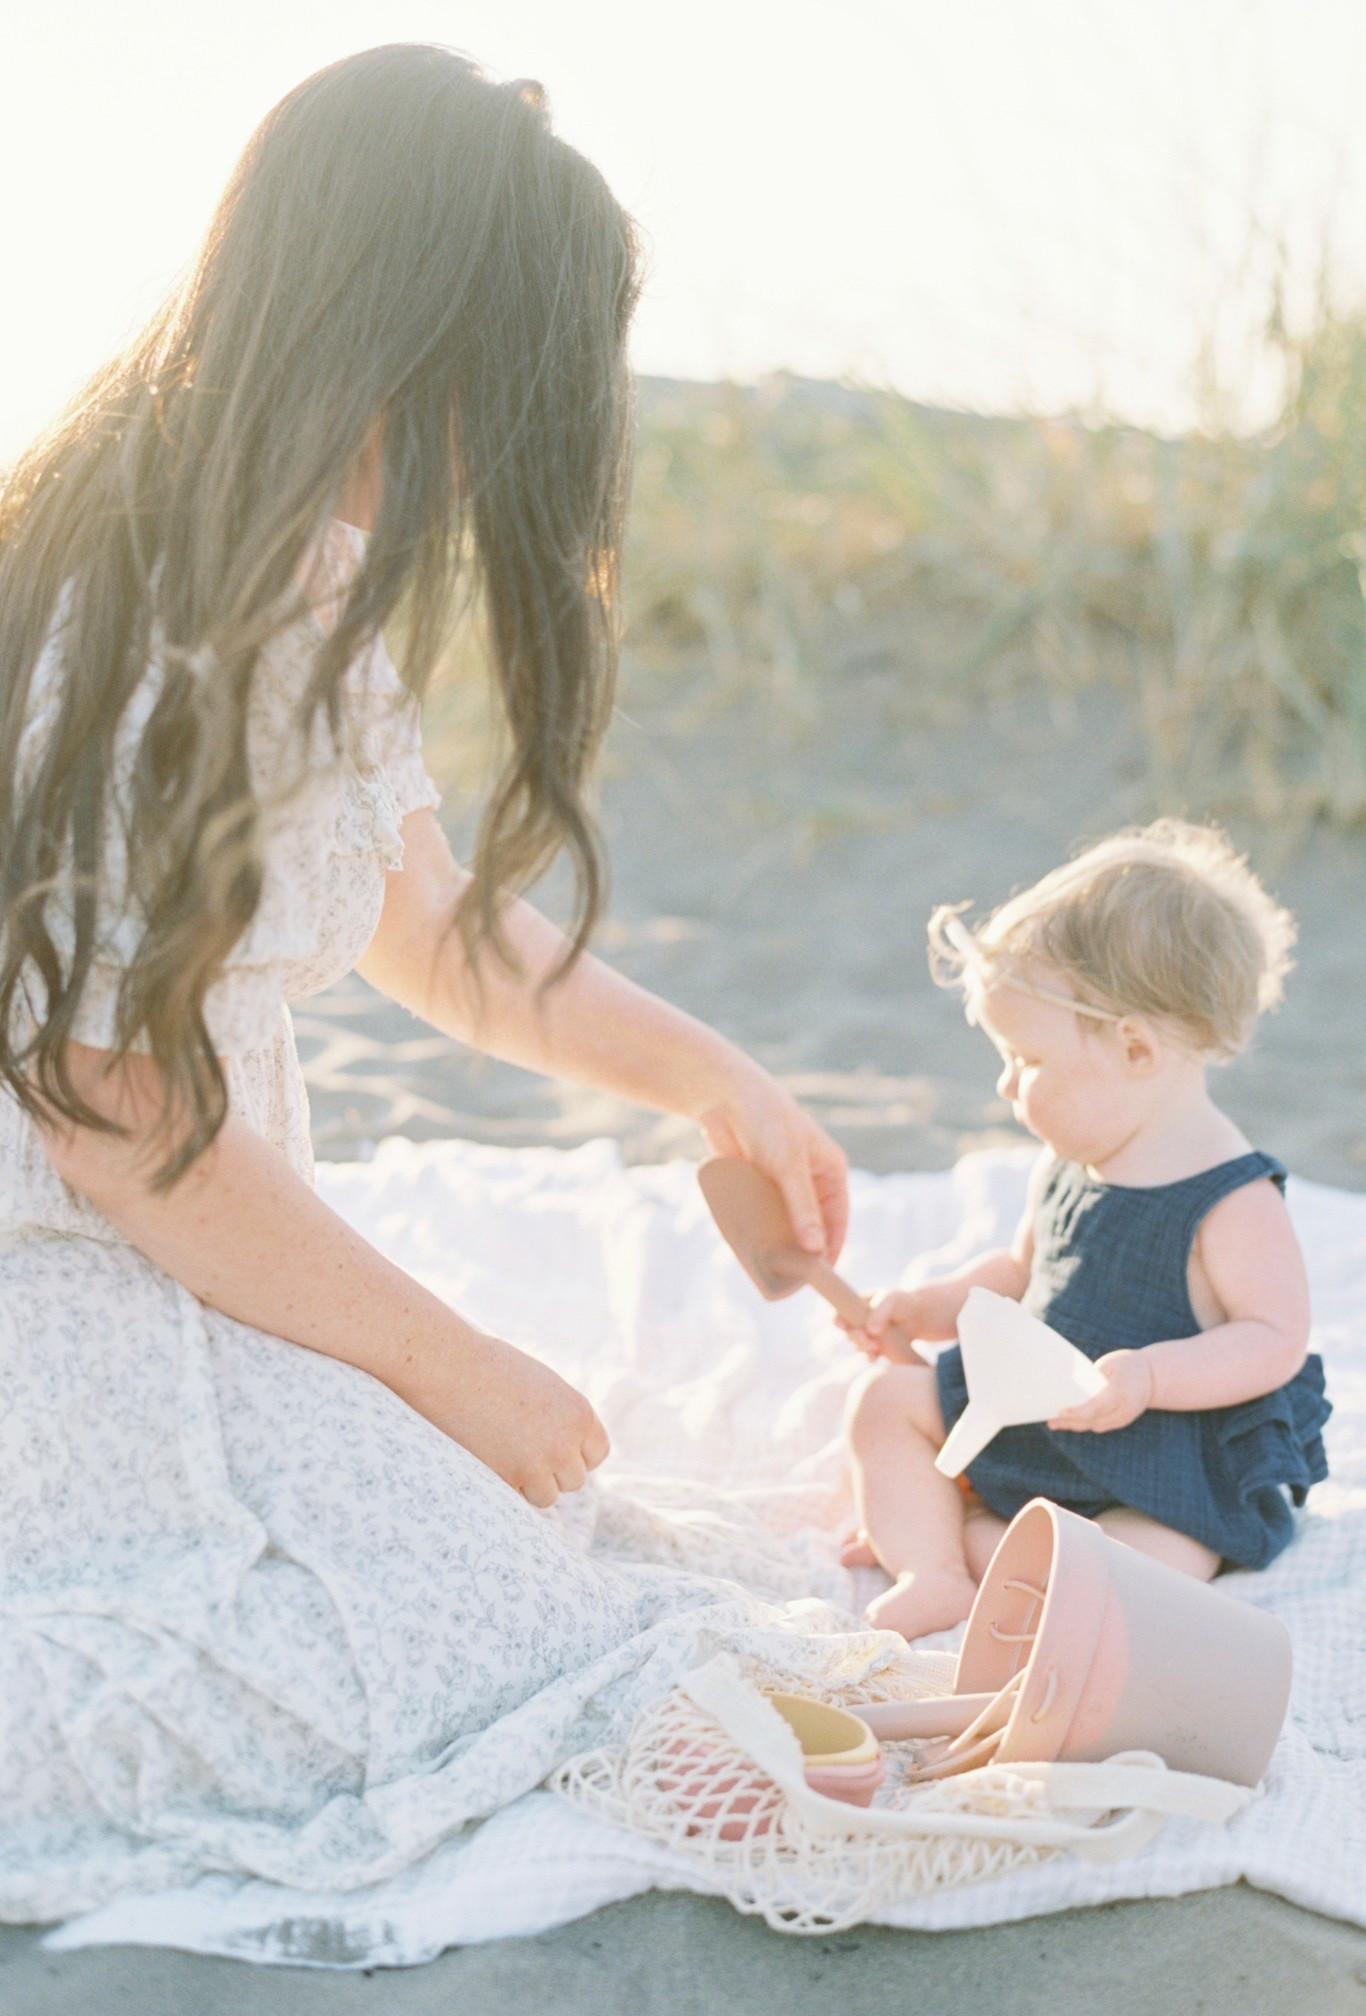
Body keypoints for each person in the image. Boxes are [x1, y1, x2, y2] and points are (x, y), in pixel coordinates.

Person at [0, 46, 849, 1919]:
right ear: (408, 335)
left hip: (207, 1234)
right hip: (78, 1266)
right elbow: (118, 1118)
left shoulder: (297, 567)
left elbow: (429, 920)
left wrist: (718, 1081)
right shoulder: (134, 604)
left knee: (555, 1550)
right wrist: (443, 1358)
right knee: (461, 1623)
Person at [841, 821, 1331, 1639]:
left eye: (1026, 1061)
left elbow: (1272, 1338)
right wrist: (929, 1306)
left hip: (1161, 1457)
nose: (1005, 1085)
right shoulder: (1072, 1160)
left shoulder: (1231, 1199)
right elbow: (1023, 1272)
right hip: (1038, 1414)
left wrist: (1147, 1378)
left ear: (1136, 1048)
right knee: (882, 1404)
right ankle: (935, 1569)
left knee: (1154, 1561)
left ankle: (993, 1546)